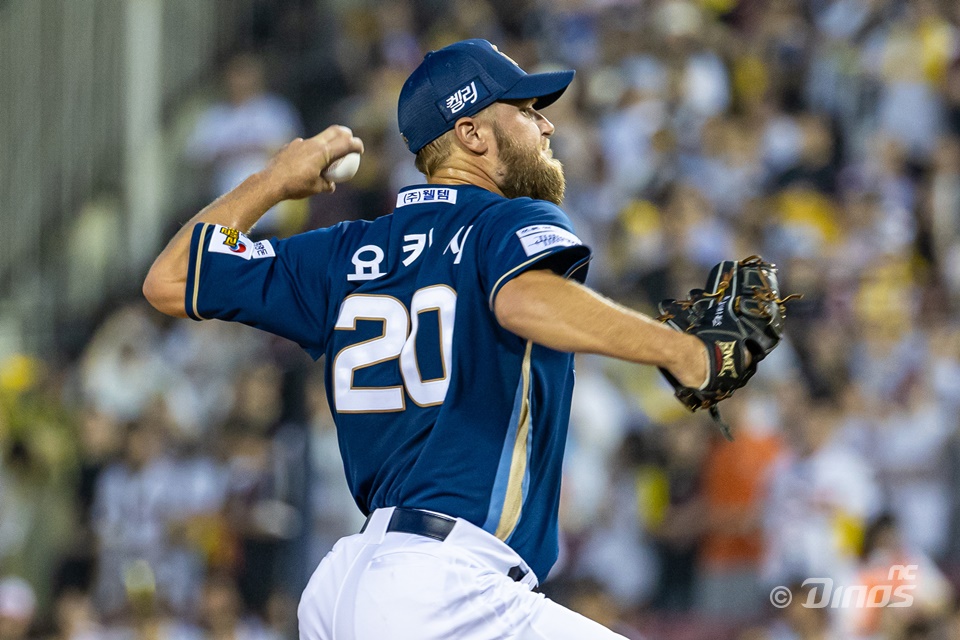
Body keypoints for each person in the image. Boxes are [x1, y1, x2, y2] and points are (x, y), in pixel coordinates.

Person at [144, 39, 708, 640]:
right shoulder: (507, 219)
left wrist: (274, 181)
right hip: (445, 585)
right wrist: (683, 349)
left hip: (347, 586)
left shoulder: (341, 252)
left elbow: (169, 279)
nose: (546, 124)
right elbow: (521, 299)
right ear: (471, 134)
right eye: (524, 109)